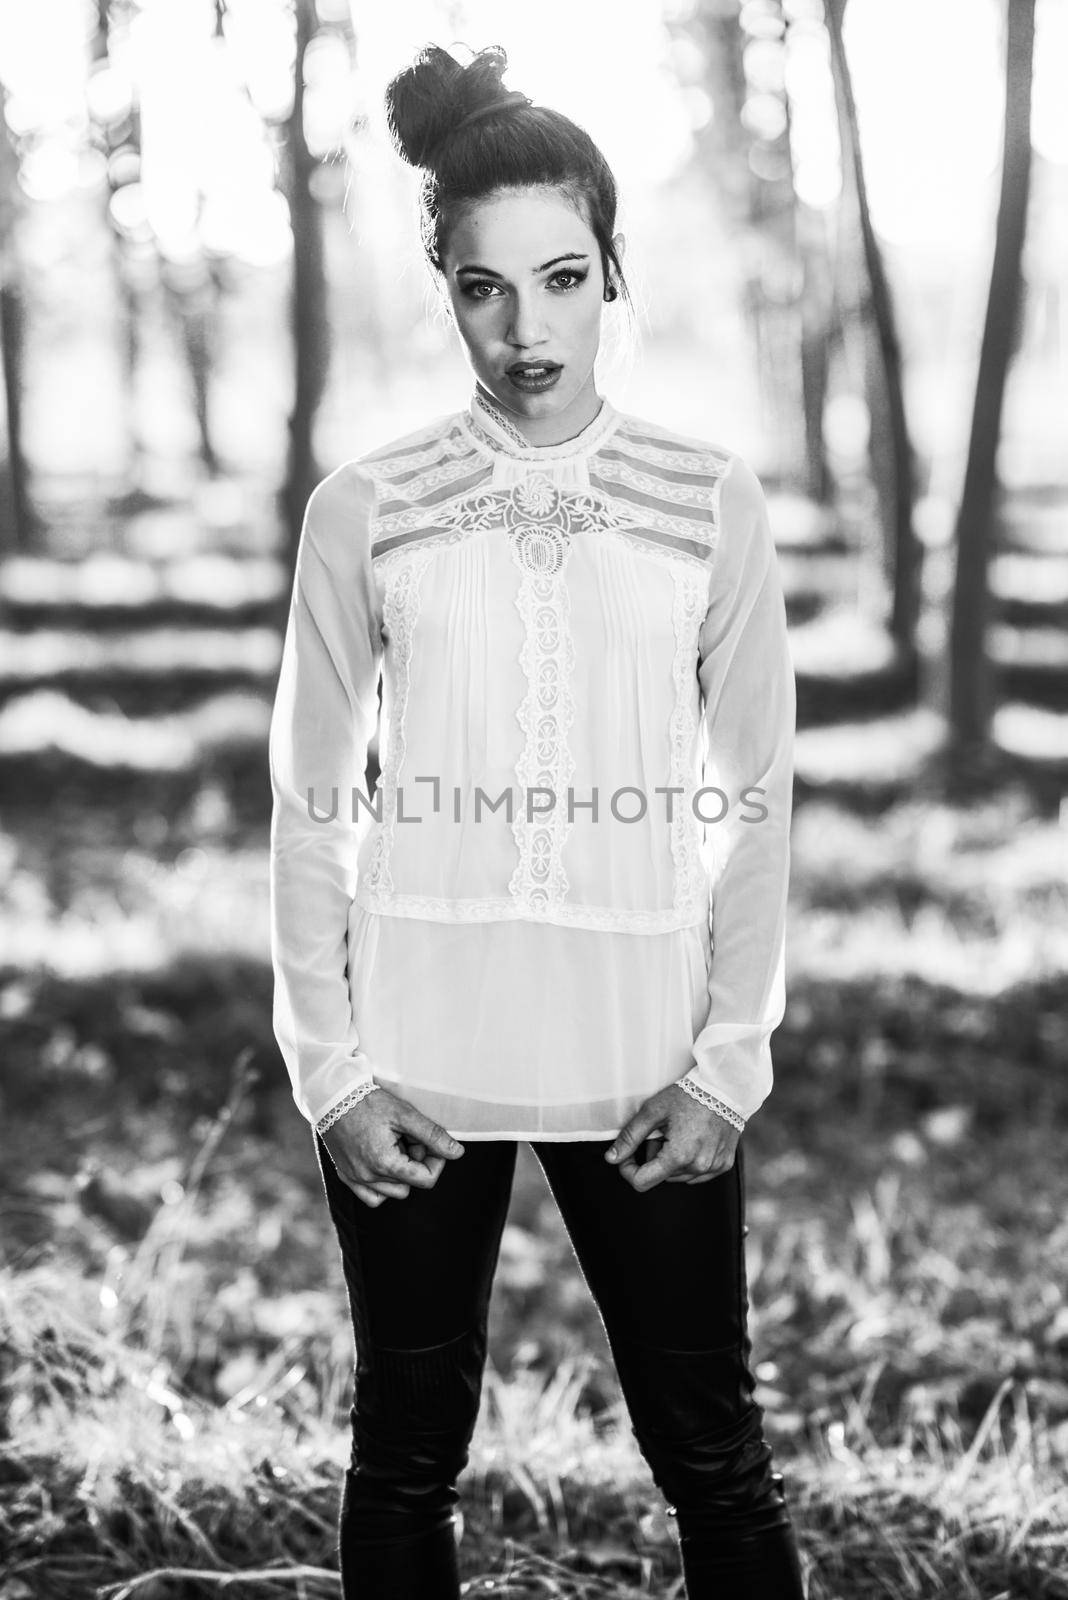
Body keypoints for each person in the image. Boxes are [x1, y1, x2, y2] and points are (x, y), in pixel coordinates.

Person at [268, 40, 805, 1600]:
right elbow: (311, 803)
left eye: (563, 277)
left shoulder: (710, 502)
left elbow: (757, 802)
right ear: (441, 285)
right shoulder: (368, 508)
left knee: (713, 1452)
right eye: (484, 288)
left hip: (648, 1054)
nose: (528, 329)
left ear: (611, 267)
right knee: (406, 1451)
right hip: (415, 1054)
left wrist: (727, 1067)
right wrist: (332, 1072)